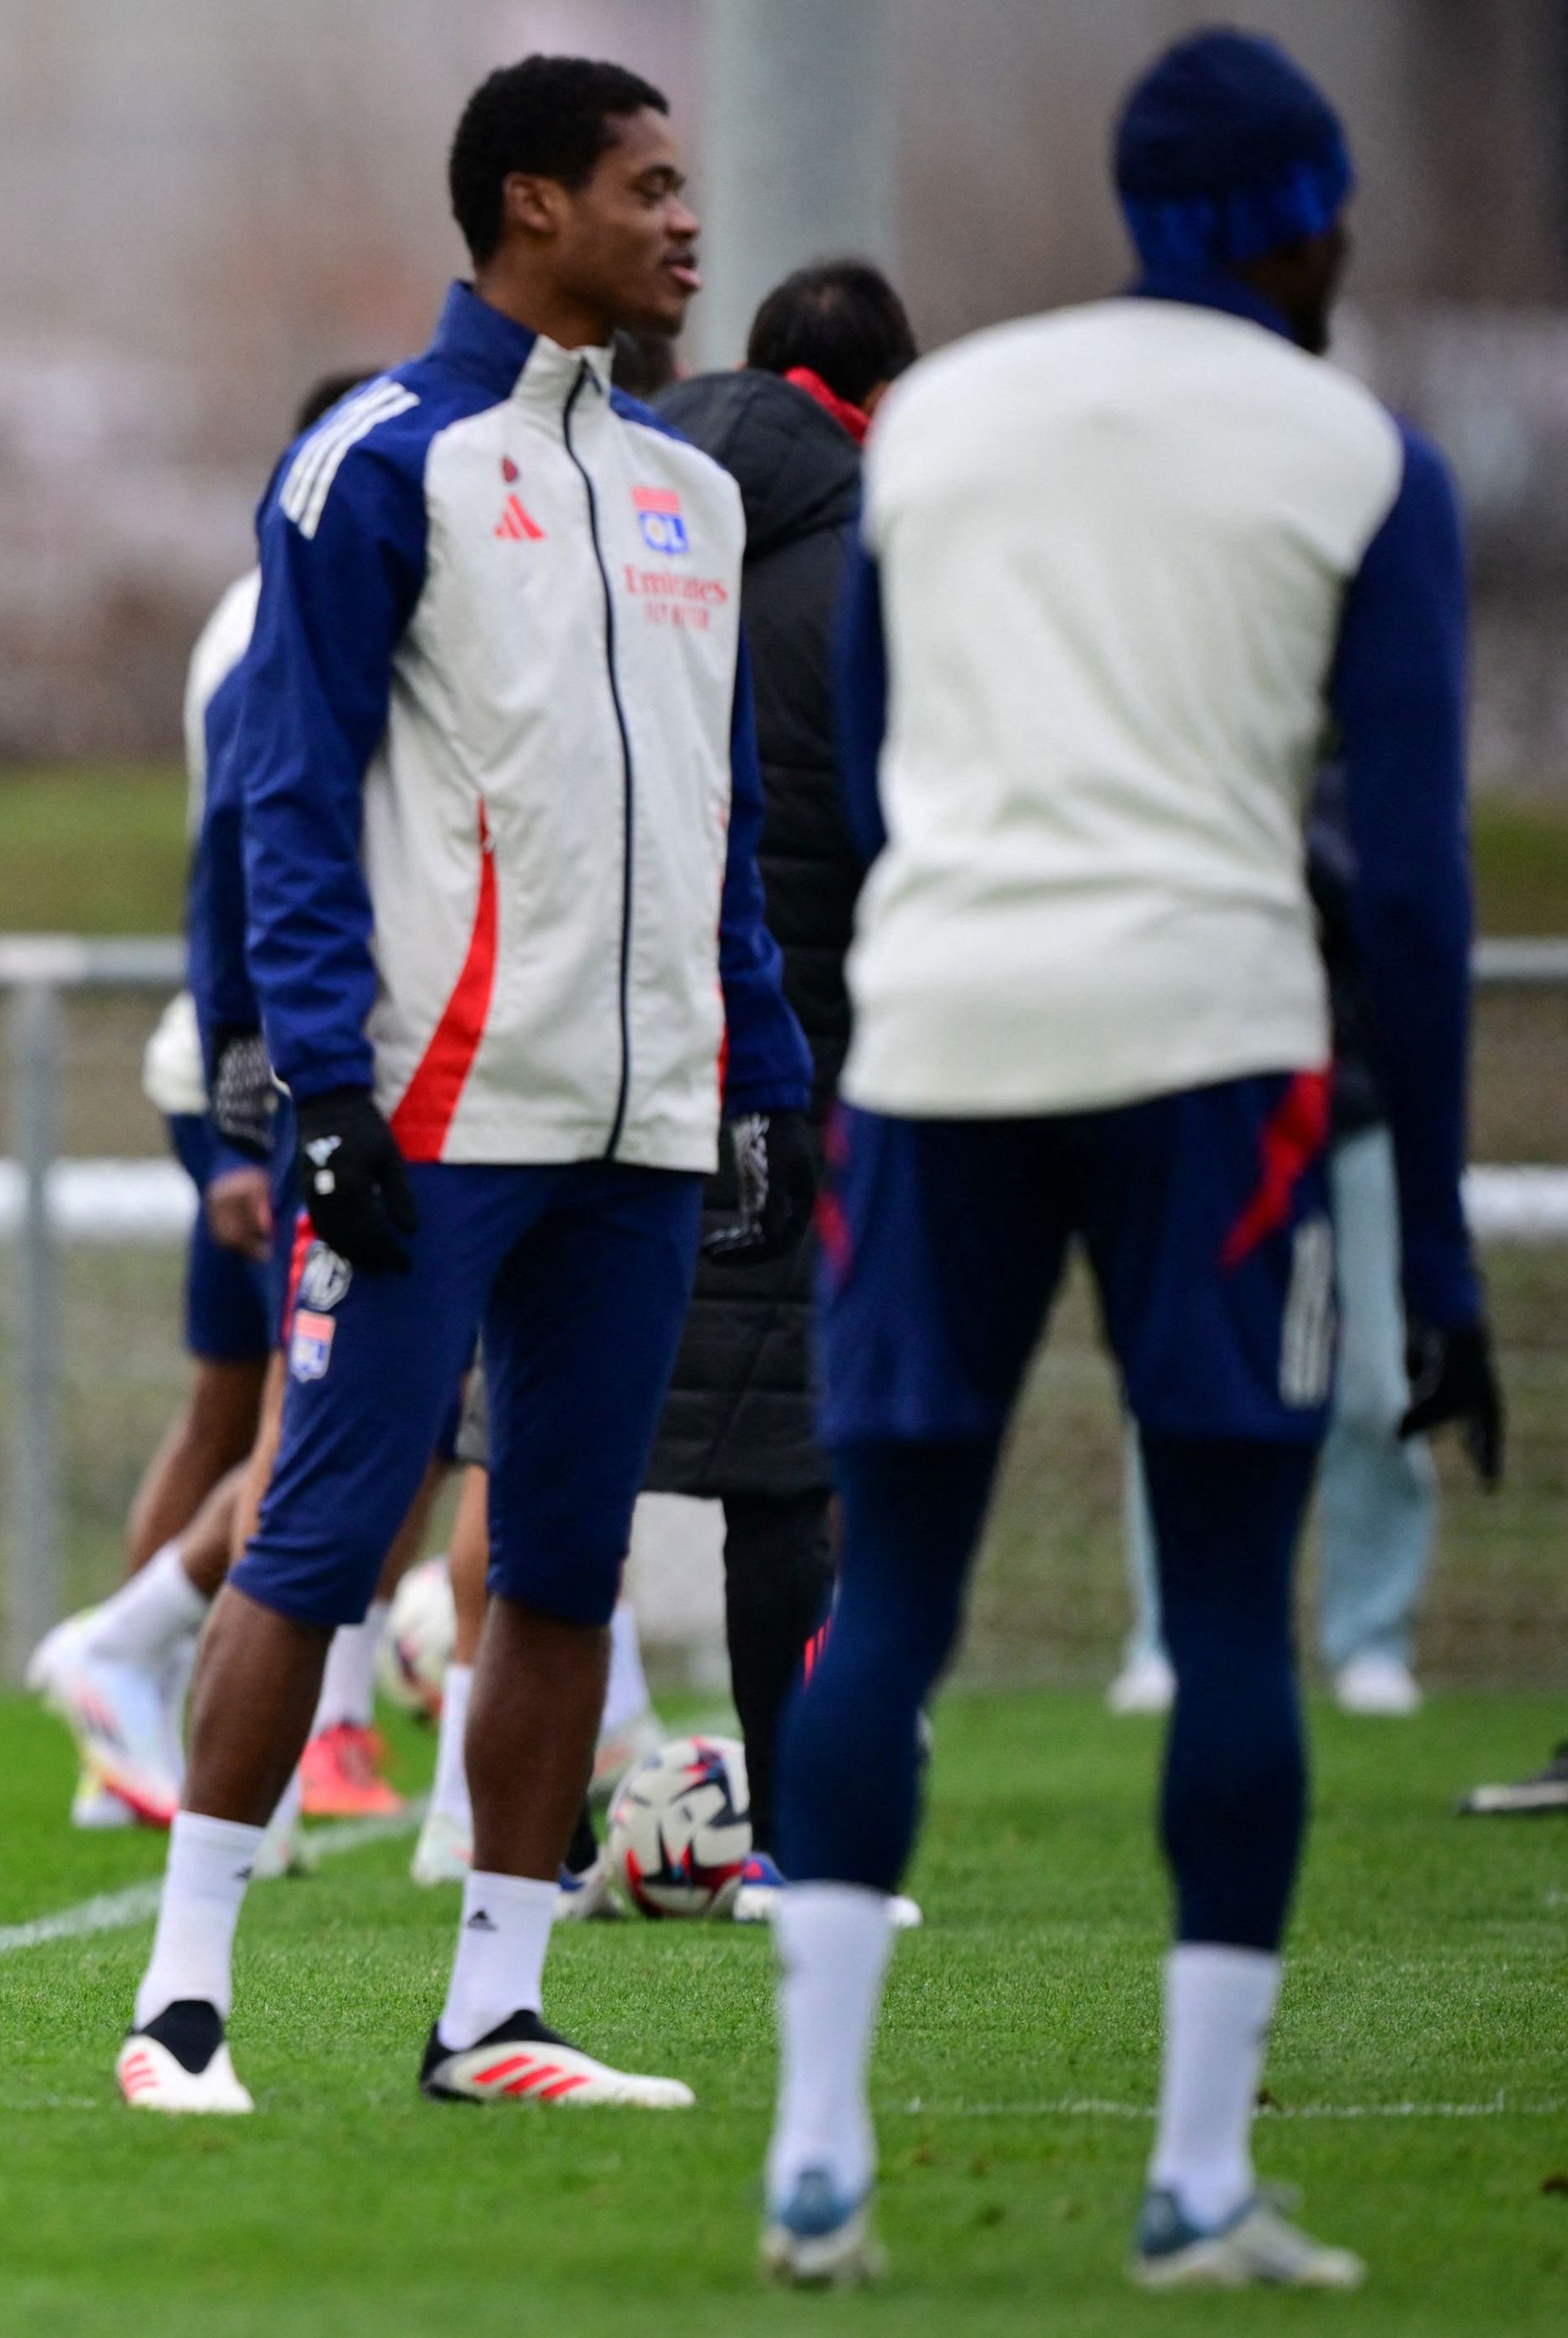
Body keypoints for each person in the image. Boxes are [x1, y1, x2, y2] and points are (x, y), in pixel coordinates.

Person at [761, 30, 1500, 2292]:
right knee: (1224, 1601)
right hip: (1209, 1049)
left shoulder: (953, 410)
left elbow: (876, 758)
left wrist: (964, 933)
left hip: (946, 1024)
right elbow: (1405, 881)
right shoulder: (1357, 454)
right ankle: (1189, 2181)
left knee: (885, 1592)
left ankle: (814, 2157)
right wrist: (1443, 1222)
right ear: (1292, 214)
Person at [115, 54, 814, 2120]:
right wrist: (307, 1087)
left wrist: (751, 1073)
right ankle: (176, 2010)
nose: (683, 222)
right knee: (315, 1545)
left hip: (636, 1129)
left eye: (684, 185)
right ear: (526, 207)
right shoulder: (371, 462)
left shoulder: (689, 494)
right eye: (644, 186)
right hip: (419, 1115)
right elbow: (281, 797)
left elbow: (719, 823)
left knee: (560, 1570)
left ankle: (491, 2016)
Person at [33, 370, 381, 1837]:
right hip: (270, 1076)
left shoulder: (262, 601)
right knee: (348, 1423)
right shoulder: (290, 617)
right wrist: (253, 1117)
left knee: (235, 1408)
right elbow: (243, 859)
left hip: (238, 1066)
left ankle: (131, 1713)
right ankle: (177, 1680)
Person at [639, 257, 915, 1896]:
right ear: (881, 397)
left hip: (594, 1047)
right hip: (812, 1071)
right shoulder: (880, 568)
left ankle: (488, 1836)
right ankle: (806, 1843)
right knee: (789, 1477)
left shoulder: (631, 515)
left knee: (539, 1450)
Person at [1105, 777, 1434, 1720]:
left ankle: (1371, 1640)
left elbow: (1389, 901)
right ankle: (1167, 1634)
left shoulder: (1355, 757)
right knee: (1176, 1378)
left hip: (1347, 1113)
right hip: (1206, 1108)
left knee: (1373, 1383)